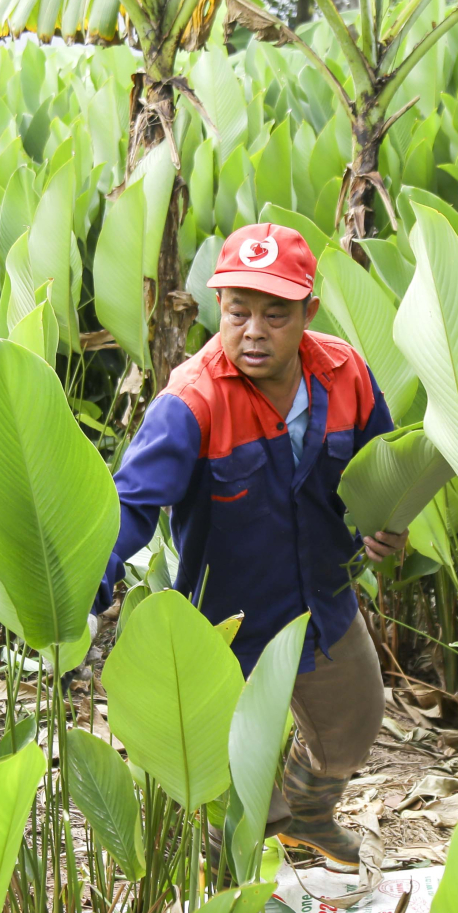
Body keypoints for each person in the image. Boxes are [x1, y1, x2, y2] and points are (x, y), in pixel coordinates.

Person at [95, 223, 405, 873]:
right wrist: (88, 595)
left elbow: (388, 465)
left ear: (308, 314)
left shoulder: (347, 374)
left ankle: (307, 814)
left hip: (323, 602)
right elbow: (130, 506)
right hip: (229, 625)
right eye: (238, 312)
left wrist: (388, 524)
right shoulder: (191, 400)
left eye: (275, 314)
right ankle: (229, 879)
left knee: (354, 724)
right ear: (219, 309)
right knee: (227, 782)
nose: (254, 331)